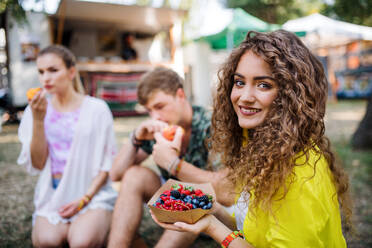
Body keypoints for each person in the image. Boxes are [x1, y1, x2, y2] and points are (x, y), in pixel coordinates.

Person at [151, 30, 352, 247]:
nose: (244, 97)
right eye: (239, 82)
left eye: (263, 85)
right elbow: (252, 229)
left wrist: (212, 227)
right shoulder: (266, 145)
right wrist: (210, 210)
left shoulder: (298, 173)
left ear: (291, 96)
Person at [108, 67, 232, 248]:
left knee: (186, 196)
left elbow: (225, 193)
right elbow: (115, 175)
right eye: (149, 111)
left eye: (159, 107)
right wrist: (136, 138)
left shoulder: (211, 125)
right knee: (135, 175)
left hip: (217, 211)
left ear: (180, 95)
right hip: (176, 207)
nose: (155, 116)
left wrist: (173, 163)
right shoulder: (163, 129)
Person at [17, 45, 117, 247]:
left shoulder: (97, 109)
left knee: (82, 242)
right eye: (41, 72)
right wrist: (38, 120)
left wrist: (85, 198)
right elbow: (37, 164)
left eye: (53, 70)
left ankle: (106, 222)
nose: (46, 78)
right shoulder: (35, 111)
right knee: (47, 241)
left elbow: (107, 164)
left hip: (91, 192)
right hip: (54, 194)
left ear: (71, 72)